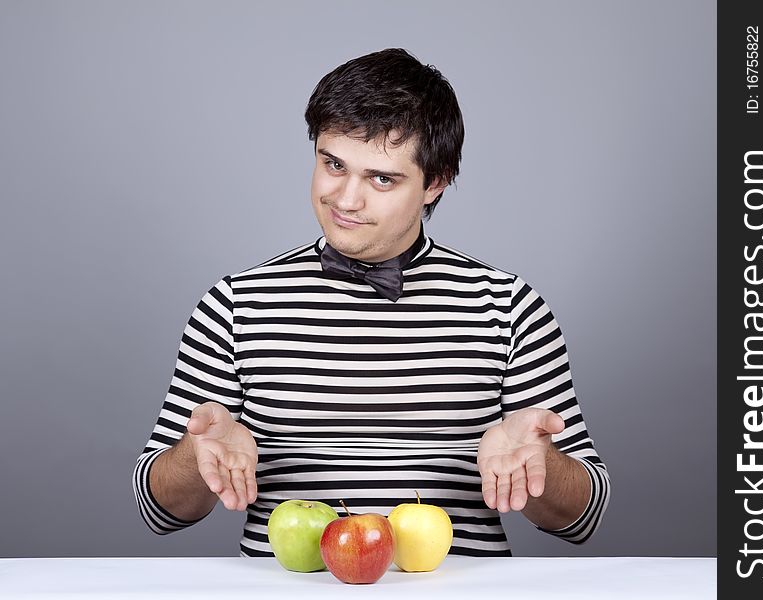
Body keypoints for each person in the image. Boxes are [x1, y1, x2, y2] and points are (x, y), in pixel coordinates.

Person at [132, 48, 610, 557]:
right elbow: (159, 509)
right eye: (333, 164)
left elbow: (582, 518)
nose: (346, 199)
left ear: (437, 181)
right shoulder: (234, 304)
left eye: (382, 178)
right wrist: (195, 455)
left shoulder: (509, 307)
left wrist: (540, 463)